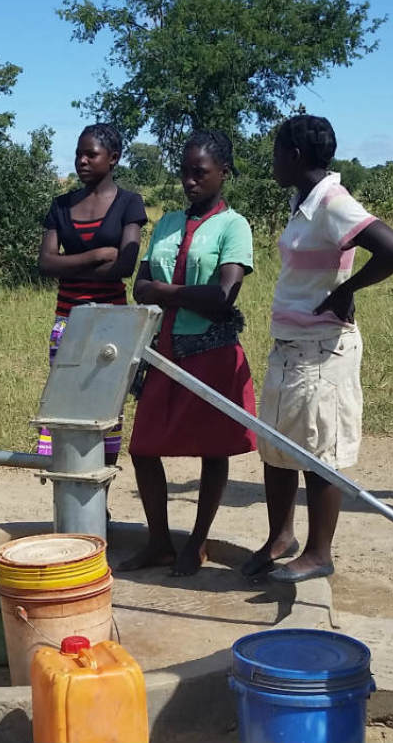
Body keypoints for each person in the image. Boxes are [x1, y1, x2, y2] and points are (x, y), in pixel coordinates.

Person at [242, 115, 393, 584]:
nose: (272, 162)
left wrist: (346, 289)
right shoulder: (304, 202)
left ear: (294, 157)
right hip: (291, 348)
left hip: (322, 351)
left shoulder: (334, 202)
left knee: (319, 452)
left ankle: (319, 553)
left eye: (277, 152)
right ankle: (281, 537)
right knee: (275, 447)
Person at [119, 130, 257, 577]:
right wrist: (175, 293)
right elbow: (139, 287)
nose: (190, 181)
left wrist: (166, 292)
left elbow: (222, 295)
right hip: (164, 353)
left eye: (200, 173)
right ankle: (158, 540)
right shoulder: (167, 223)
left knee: (212, 451)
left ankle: (196, 542)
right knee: (143, 448)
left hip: (211, 353)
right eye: (185, 172)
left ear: (223, 174)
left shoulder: (234, 226)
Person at [37, 123, 147, 466]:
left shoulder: (130, 203)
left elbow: (126, 264)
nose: (81, 161)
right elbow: (45, 263)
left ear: (113, 159)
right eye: (78, 154)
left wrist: (68, 264)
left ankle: (100, 499)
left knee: (104, 407)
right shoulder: (61, 205)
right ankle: (69, 490)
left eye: (91, 154)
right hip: (68, 321)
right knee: (66, 403)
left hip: (113, 323)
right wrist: (98, 255)